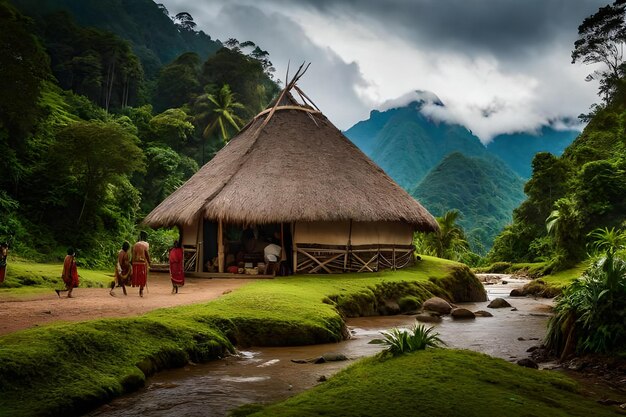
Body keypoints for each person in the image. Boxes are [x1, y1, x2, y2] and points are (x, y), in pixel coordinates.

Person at [131, 231, 151, 297]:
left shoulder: (135, 245)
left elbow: (133, 254)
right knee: (143, 277)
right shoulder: (146, 244)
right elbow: (147, 254)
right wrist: (149, 261)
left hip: (135, 263)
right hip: (143, 263)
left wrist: (132, 262)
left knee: (138, 277)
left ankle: (140, 289)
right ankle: (141, 290)